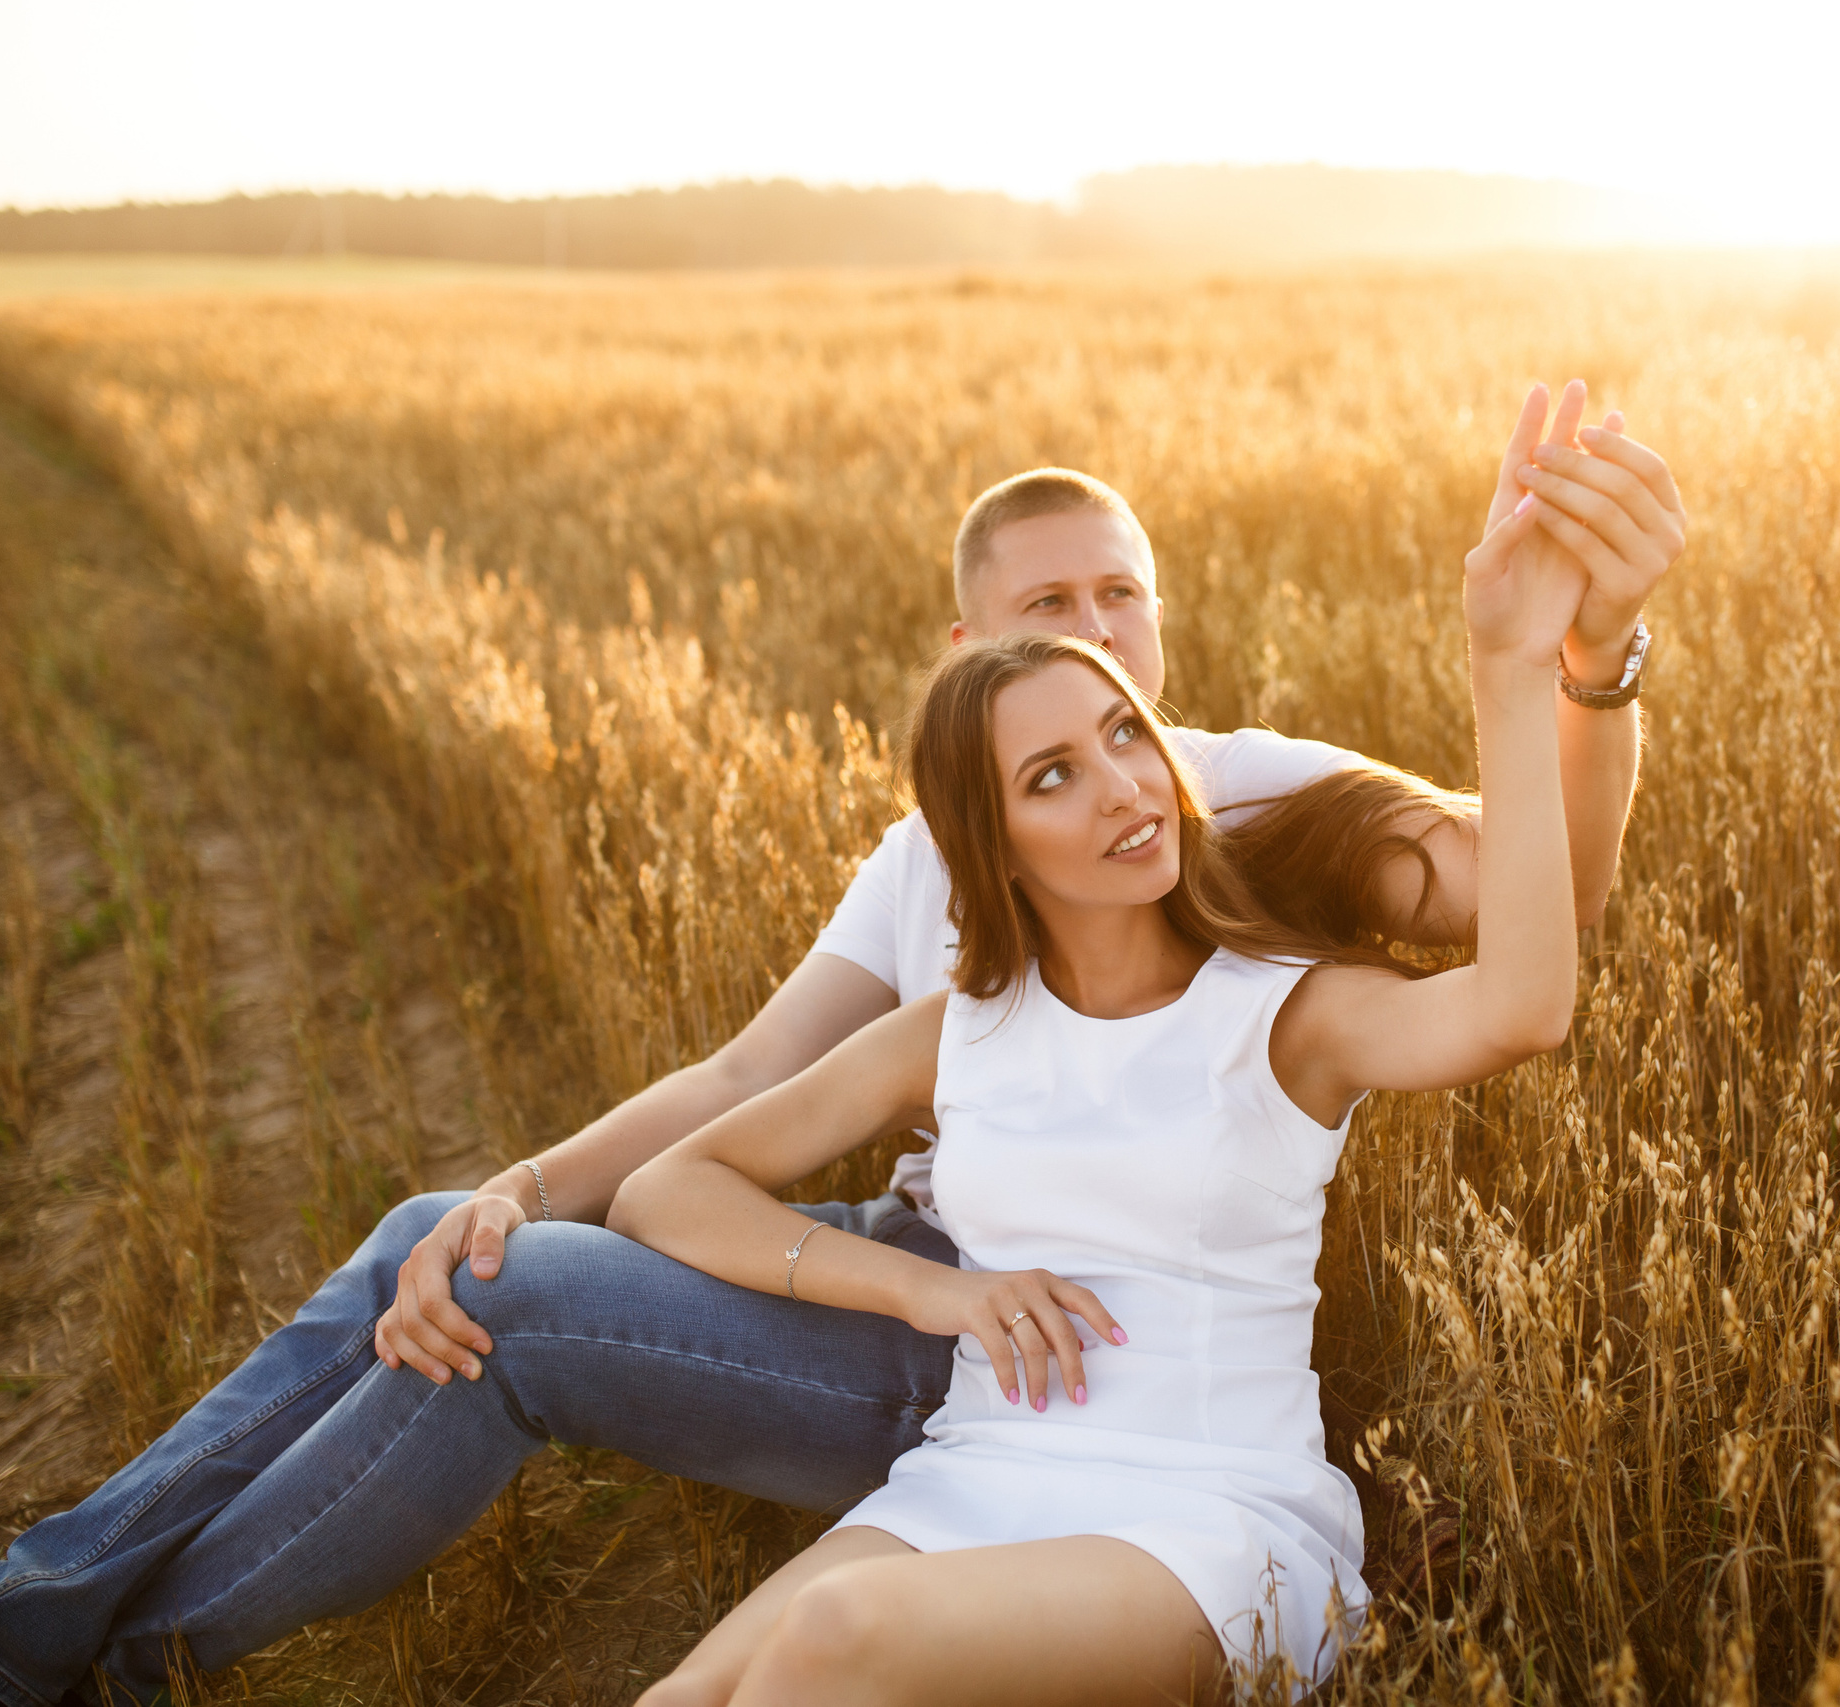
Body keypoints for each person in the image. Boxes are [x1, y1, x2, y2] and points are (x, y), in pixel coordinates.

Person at [0, 382, 1684, 1705]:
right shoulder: (945, 887)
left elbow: (1538, 910)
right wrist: (504, 1190)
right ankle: (22, 1620)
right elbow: (733, 1092)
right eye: (1052, 613)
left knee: (522, 1319)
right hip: (924, 1304)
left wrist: (1575, 668)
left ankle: (51, 1653)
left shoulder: (1253, 799)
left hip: (1063, 1358)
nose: (1106, 640)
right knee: (445, 1239)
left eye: (1124, 599)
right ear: (968, 662)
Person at [605, 455, 1588, 1704]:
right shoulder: (954, 1031)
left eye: (1124, 732)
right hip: (971, 1478)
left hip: (1210, 1516)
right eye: (1051, 775)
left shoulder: (1288, 1011)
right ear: (993, 851)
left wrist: (1511, 666)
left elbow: (1522, 1004)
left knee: (833, 1642)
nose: (1124, 787)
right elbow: (667, 1190)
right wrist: (926, 1294)